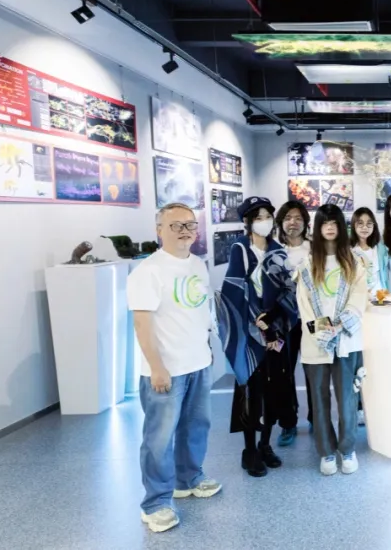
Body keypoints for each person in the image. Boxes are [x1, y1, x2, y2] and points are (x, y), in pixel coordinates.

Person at [128, 203, 220, 533]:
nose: (184, 231)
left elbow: (200, 311)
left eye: (189, 225)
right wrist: (157, 367)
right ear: (159, 230)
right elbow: (142, 324)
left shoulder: (197, 264)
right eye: (175, 225)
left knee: (197, 427)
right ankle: (156, 503)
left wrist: (207, 349)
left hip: (198, 363)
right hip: (166, 369)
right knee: (159, 438)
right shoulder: (148, 271)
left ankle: (189, 477)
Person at [219, 197, 299, 477]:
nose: (264, 221)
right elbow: (233, 289)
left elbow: (288, 288)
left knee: (275, 388)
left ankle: (266, 444)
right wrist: (258, 319)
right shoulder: (240, 249)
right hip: (250, 336)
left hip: (275, 331)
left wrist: (275, 319)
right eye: (258, 217)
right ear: (247, 222)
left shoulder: (278, 250)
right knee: (252, 392)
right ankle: (249, 450)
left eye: (267, 216)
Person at [294, 204, 368, 476]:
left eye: (334, 222)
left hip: (347, 340)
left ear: (341, 226)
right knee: (319, 398)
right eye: (324, 222)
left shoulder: (354, 261)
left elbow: (360, 297)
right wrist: (324, 331)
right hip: (316, 342)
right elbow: (304, 305)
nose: (329, 227)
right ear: (317, 227)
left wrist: (340, 325)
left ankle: (347, 449)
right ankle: (326, 451)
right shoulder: (307, 264)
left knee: (348, 399)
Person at [276, 200, 312, 440]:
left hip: (311, 319)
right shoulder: (275, 250)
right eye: (288, 218)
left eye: (298, 218)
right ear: (280, 222)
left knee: (314, 370)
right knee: (284, 372)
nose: (293, 222)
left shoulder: (314, 248)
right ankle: (288, 422)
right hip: (283, 322)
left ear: (305, 223)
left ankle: (316, 418)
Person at [350, 207, 386, 426]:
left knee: (375, 358)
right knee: (358, 359)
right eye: (360, 223)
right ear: (353, 226)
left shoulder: (379, 249)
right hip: (357, 310)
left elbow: (384, 276)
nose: (365, 227)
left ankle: (376, 404)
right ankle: (358, 406)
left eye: (369, 223)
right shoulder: (348, 250)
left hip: (378, 309)